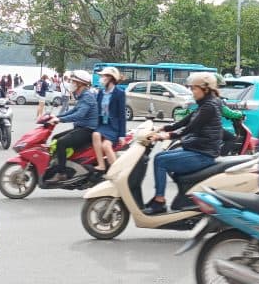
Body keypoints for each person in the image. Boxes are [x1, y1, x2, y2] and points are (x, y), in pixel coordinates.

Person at [142, 72, 223, 215]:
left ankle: (159, 201)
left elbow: (190, 128)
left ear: (206, 89)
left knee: (160, 160)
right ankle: (179, 195)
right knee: (164, 157)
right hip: (199, 149)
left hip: (203, 153)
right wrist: (162, 128)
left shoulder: (209, 106)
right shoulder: (205, 104)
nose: (192, 92)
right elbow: (185, 121)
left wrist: (166, 136)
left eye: (194, 89)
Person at [48, 70, 98, 180]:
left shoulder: (87, 96)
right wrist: (57, 117)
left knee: (61, 143)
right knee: (55, 138)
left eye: (73, 81)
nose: (71, 84)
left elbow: (79, 115)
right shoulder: (82, 95)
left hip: (87, 130)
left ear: (80, 84)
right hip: (81, 128)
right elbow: (73, 111)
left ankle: (62, 173)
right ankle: (60, 164)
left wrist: (60, 120)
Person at [91, 67, 127, 174]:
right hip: (102, 125)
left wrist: (122, 135)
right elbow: (96, 110)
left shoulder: (119, 93)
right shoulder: (101, 93)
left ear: (110, 78)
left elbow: (122, 115)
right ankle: (101, 165)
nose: (101, 79)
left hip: (113, 128)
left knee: (106, 146)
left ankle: (117, 173)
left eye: (103, 76)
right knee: (95, 134)